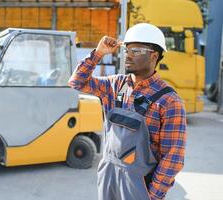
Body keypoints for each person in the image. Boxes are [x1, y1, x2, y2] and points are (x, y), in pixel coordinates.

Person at [68, 23, 186, 200]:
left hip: (139, 185)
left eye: (136, 50)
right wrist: (98, 53)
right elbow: (77, 82)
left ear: (154, 55)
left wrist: (151, 195)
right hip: (108, 175)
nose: (128, 55)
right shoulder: (115, 85)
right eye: (127, 50)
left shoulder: (168, 101)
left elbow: (173, 157)